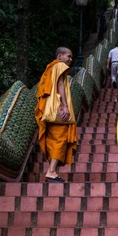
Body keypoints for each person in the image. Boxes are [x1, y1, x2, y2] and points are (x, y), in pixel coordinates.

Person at [35, 47, 77, 183]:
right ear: (59, 56)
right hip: (59, 110)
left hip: (50, 111)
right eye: (68, 56)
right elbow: (59, 85)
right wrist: (65, 106)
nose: (70, 59)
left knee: (54, 140)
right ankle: (51, 171)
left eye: (71, 57)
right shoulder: (59, 66)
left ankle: (52, 170)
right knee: (60, 139)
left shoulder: (51, 68)